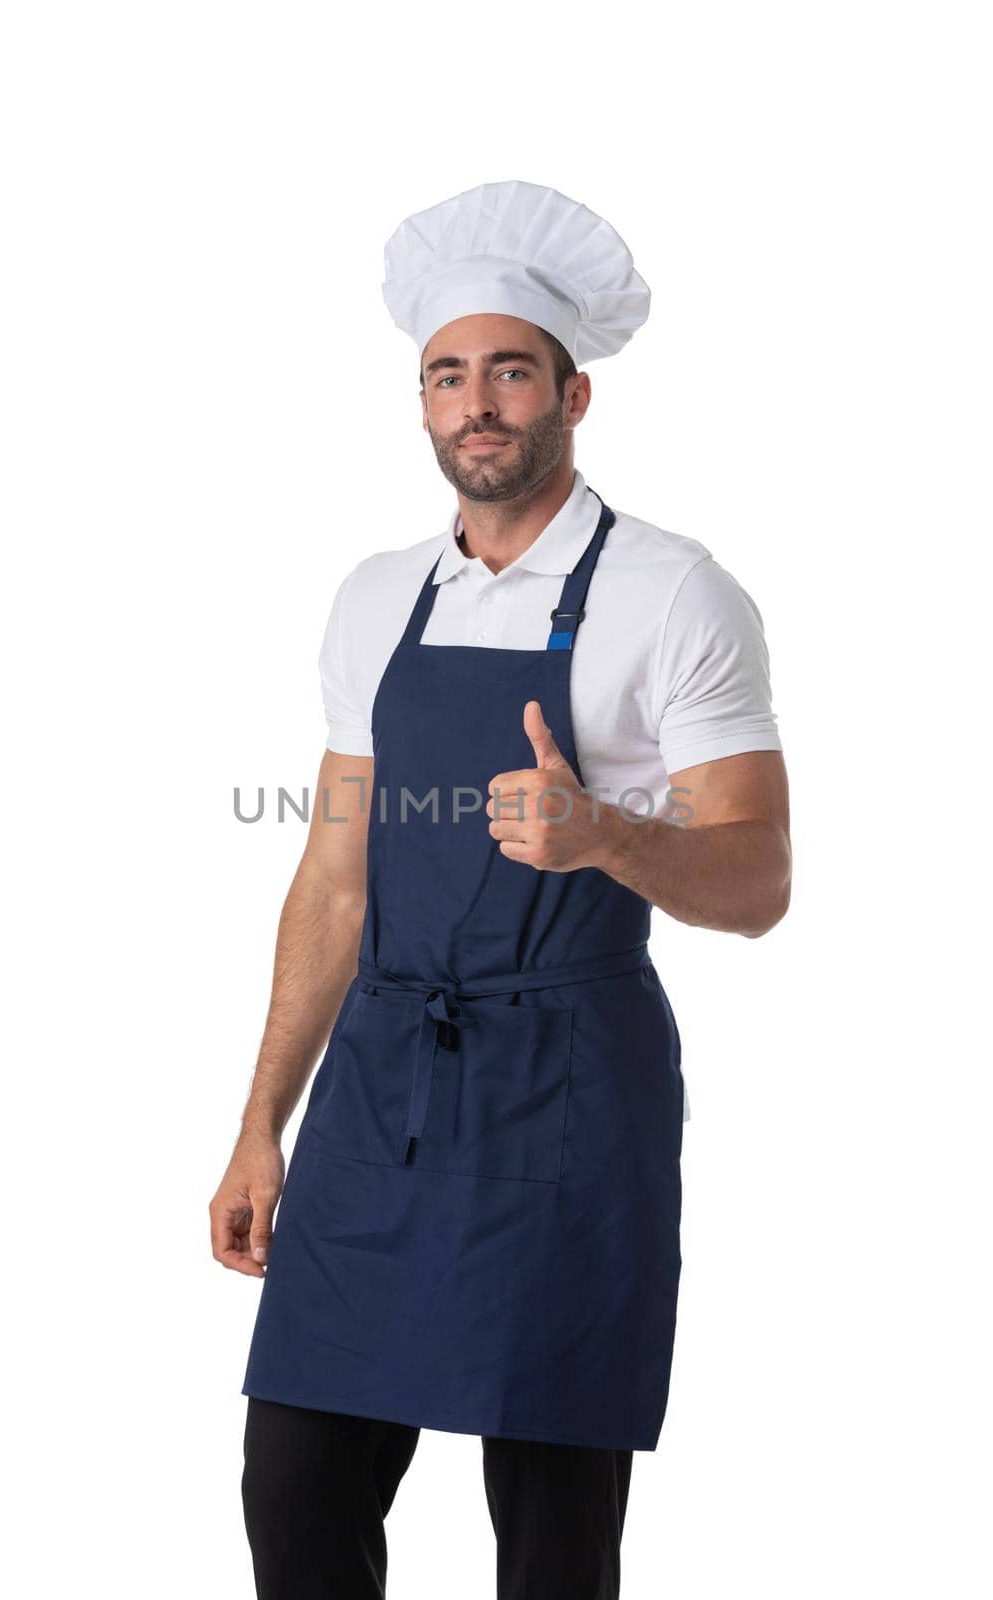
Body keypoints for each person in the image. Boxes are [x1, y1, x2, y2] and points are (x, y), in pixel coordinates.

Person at [210, 178, 791, 1599]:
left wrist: (607, 836)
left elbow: (761, 878)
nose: (478, 404)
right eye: (448, 375)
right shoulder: (374, 598)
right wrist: (258, 1125)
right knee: (294, 1484)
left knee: (548, 1529)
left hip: (568, 1094)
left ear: (572, 394)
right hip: (385, 1086)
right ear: (420, 402)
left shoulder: (675, 593)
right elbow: (336, 879)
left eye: (510, 372)